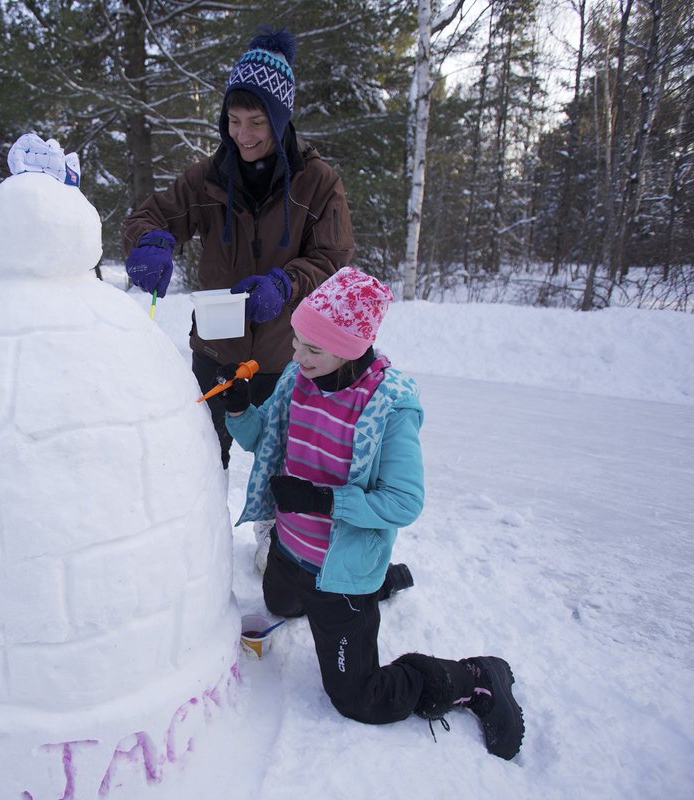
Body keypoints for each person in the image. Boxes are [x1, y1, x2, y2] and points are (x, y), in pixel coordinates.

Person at [220, 267, 525, 760]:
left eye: (312, 349)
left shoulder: (389, 407)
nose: (296, 357)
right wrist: (239, 411)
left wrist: (323, 501)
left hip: (338, 574)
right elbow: (261, 440)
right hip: (289, 551)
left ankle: (474, 677)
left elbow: (405, 501)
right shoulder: (299, 378)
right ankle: (378, 583)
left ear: (354, 346)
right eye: (296, 342)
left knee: (359, 699)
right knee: (279, 605)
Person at [122, 27, 353, 473]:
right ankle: (203, 543)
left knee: (287, 470)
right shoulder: (206, 177)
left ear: (280, 119)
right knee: (201, 465)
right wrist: (149, 243)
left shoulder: (319, 182)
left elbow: (333, 258)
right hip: (214, 355)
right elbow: (146, 218)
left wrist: (284, 284)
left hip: (289, 359)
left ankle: (278, 542)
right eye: (233, 120)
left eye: (256, 122)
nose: (242, 135)